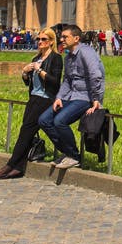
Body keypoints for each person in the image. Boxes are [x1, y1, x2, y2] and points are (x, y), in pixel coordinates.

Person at [0, 27, 63, 179]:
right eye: (39, 39)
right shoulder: (35, 59)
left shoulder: (56, 58)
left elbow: (55, 82)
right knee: (26, 131)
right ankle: (18, 167)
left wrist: (40, 71)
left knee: (26, 131)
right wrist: (24, 73)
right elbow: (28, 83)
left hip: (45, 99)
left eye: (44, 39)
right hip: (33, 98)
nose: (40, 42)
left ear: (51, 42)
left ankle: (10, 165)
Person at [39, 23, 105, 170]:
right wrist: (59, 97)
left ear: (76, 38)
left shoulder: (87, 53)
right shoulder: (68, 57)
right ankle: (67, 152)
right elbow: (67, 80)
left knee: (60, 121)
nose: (61, 39)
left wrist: (97, 100)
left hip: (84, 97)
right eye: (61, 36)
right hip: (69, 96)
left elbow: (96, 76)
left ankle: (74, 156)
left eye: (65, 37)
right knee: (44, 120)